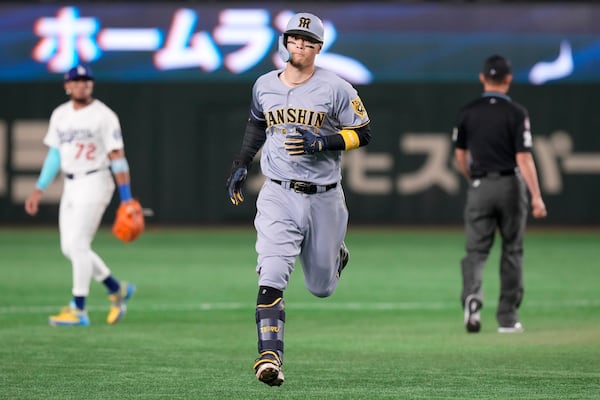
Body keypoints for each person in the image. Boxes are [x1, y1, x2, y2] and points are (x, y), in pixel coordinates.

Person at [225, 12, 372, 386]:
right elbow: (257, 123)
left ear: (318, 48)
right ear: (285, 42)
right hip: (277, 192)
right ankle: (269, 356)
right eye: (294, 39)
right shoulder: (264, 85)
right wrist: (242, 162)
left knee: (321, 287)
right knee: (272, 272)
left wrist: (324, 141)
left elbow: (363, 133)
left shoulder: (336, 87)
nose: (300, 45)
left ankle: (336, 253)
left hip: (324, 196)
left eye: (308, 41)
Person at [24, 64, 136, 327]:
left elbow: (117, 157)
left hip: (96, 179)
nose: (81, 85)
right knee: (70, 248)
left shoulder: (104, 115)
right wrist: (39, 188)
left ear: (91, 85)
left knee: (78, 245)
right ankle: (115, 288)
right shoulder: (60, 115)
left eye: (86, 81)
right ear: (67, 85)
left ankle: (79, 308)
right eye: (76, 81)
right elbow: (55, 155)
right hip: (71, 183)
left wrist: (127, 197)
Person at [452, 54, 547, 334]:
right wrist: (537, 196)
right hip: (509, 186)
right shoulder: (517, 113)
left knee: (476, 251)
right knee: (512, 251)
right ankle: (507, 318)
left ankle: (472, 298)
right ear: (508, 79)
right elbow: (524, 158)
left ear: (483, 78)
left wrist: (474, 179)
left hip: (480, 185)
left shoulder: (468, 111)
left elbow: (460, 155)